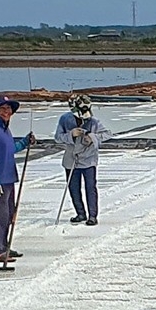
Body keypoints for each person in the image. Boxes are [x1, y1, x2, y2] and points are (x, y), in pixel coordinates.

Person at [0, 95, 34, 267]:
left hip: (9, 178)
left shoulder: (5, 130)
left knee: (9, 214)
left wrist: (25, 142)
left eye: (9, 109)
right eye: (3, 109)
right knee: (0, 217)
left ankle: (5, 247)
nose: (6, 112)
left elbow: (11, 149)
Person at [55, 95, 111, 225]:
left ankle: (92, 216)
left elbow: (107, 134)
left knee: (90, 188)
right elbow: (58, 137)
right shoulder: (64, 119)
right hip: (71, 161)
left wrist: (92, 137)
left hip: (89, 160)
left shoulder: (94, 121)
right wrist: (71, 135)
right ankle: (80, 213)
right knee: (73, 188)